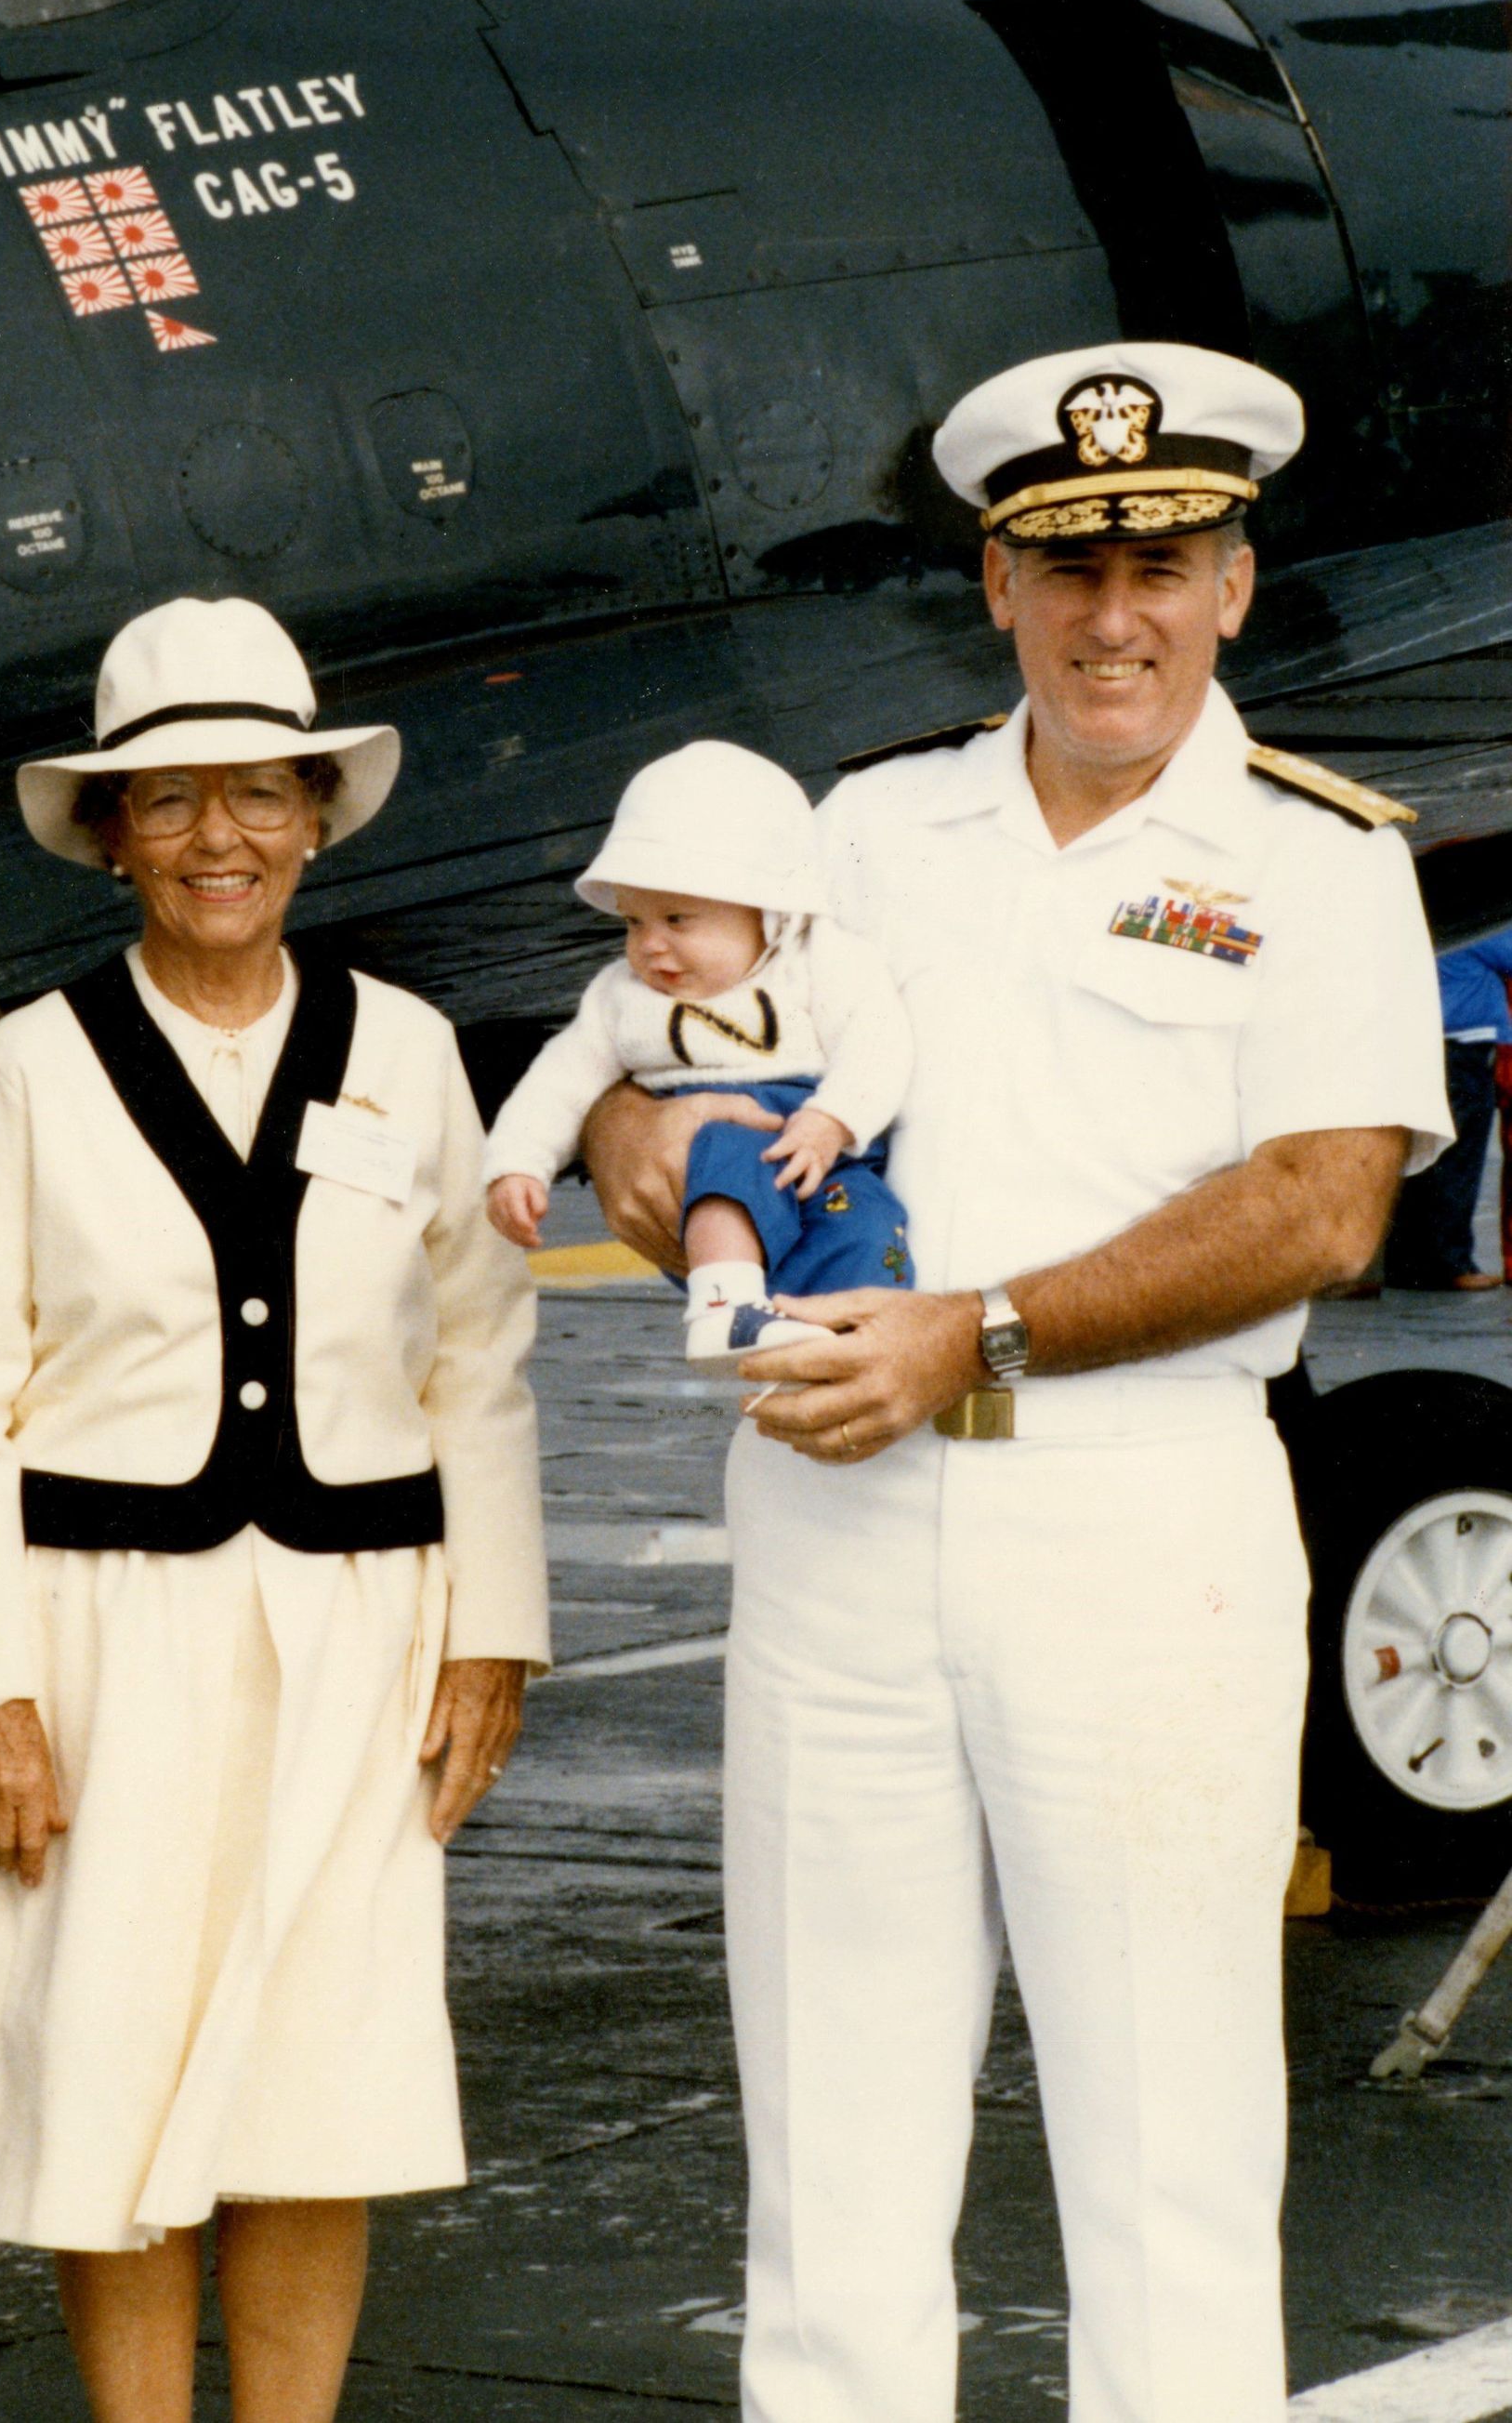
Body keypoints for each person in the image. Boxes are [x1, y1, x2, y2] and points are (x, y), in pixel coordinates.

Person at [582, 341, 1451, 2423]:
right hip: (843, 1506)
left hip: (1141, 1518)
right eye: (1067, 569)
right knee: (832, 2147)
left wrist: (980, 1329)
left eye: (1163, 558)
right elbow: (648, 1091)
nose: (1116, 614)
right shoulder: (863, 836)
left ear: (1236, 580)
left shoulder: (1321, 861)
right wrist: (655, 1170)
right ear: (995, 584)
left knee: (1163, 2150)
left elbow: (1323, 1204)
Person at [0, 594, 548, 2423]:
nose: (222, 840)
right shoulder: (22, 1072)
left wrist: (493, 1621)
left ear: (318, 815)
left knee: (313, 2082)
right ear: (109, 832)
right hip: (104, 1633)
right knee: (110, 2069)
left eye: (261, 795)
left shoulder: (409, 1051)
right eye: (173, 800)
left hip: (362, 1628)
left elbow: (475, 1358)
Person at [481, 739, 913, 1372]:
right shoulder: (621, 999)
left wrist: (834, 1118)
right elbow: (560, 1080)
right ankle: (725, 1306)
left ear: (770, 913)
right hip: (719, 1148)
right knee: (726, 1155)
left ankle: (841, 1338)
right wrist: (518, 1163)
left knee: (872, 1222)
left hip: (823, 1145)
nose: (650, 946)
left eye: (678, 919)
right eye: (633, 923)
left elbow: (877, 1040)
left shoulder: (821, 961)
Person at [1382, 924, 1512, 1288]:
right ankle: (1449, 1262)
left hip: (1432, 1042)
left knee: (1425, 1156)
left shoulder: (1427, 924)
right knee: (1459, 1159)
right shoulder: (1479, 928)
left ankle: (1408, 1261)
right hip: (1464, 1046)